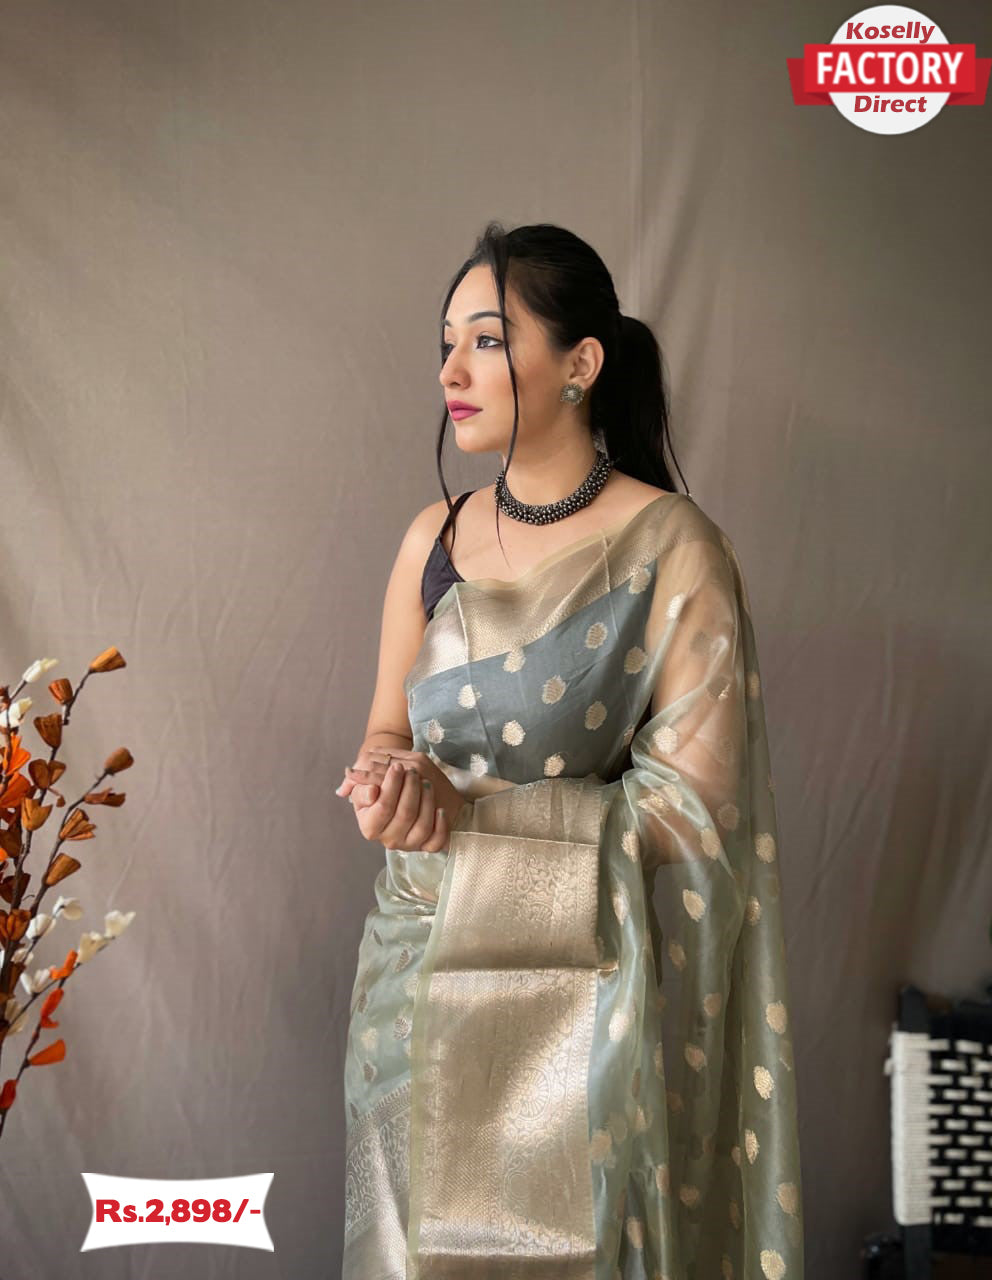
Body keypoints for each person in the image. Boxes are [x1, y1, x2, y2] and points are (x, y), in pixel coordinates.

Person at [336, 221, 804, 1280]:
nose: (450, 372)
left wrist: (470, 817)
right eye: (445, 343)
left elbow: (694, 807)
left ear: (580, 363)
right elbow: (387, 733)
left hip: (579, 1003)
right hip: (410, 980)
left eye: (487, 340)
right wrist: (388, 785)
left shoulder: (673, 547)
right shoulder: (430, 540)